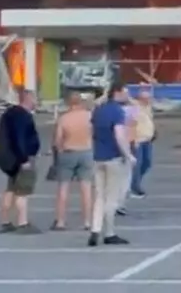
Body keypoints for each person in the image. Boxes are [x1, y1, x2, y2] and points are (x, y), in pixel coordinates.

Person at [89, 83, 135, 246]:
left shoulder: (98, 110)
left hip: (98, 157)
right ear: (118, 92)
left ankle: (95, 229)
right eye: (125, 92)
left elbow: (92, 131)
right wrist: (128, 155)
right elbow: (119, 135)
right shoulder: (117, 111)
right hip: (114, 158)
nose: (127, 96)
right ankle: (109, 232)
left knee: (99, 196)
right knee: (112, 198)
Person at [0, 87, 41, 234]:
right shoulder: (23, 116)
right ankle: (23, 223)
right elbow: (20, 139)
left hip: (8, 159)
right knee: (23, 191)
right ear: (27, 99)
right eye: (35, 98)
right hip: (22, 158)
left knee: (10, 189)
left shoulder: (8, 114)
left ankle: (5, 221)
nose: (36, 101)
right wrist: (24, 159)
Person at [52, 92, 94, 231]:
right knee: (86, 189)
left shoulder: (64, 119)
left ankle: (61, 221)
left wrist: (59, 149)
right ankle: (87, 221)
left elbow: (58, 139)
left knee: (63, 188)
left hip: (68, 152)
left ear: (69, 103)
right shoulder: (89, 116)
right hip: (86, 152)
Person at [127, 87, 156, 199]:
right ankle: (135, 187)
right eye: (145, 98)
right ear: (140, 98)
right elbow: (131, 124)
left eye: (148, 98)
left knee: (147, 163)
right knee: (137, 165)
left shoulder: (148, 107)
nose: (148, 100)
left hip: (147, 140)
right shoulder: (135, 107)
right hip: (138, 140)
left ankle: (135, 182)